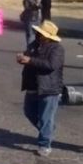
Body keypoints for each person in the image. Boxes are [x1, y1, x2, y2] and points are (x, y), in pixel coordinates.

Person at [17, 20, 65, 156]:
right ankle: (48, 131)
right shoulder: (34, 44)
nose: (37, 34)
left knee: (46, 117)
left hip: (48, 87)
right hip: (32, 85)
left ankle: (44, 144)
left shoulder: (57, 48)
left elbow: (51, 65)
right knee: (29, 112)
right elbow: (28, 55)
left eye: (40, 33)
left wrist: (30, 60)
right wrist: (22, 57)